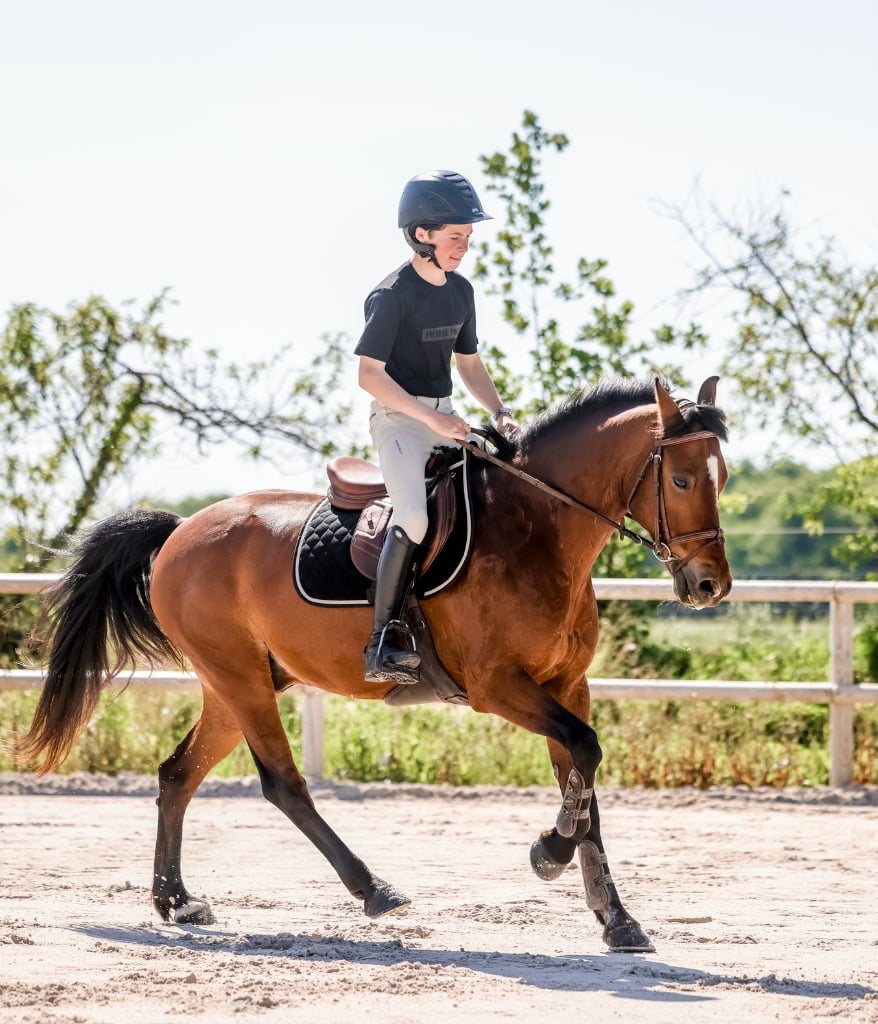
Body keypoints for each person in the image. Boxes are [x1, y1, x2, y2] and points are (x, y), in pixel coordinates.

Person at [355, 169, 519, 685]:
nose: (464, 247)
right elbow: (368, 376)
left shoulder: (461, 291)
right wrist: (432, 419)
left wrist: (500, 413)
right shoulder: (392, 296)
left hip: (447, 417)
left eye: (468, 238)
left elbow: (468, 363)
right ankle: (382, 640)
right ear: (422, 234)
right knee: (416, 518)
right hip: (400, 421)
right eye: (455, 237)